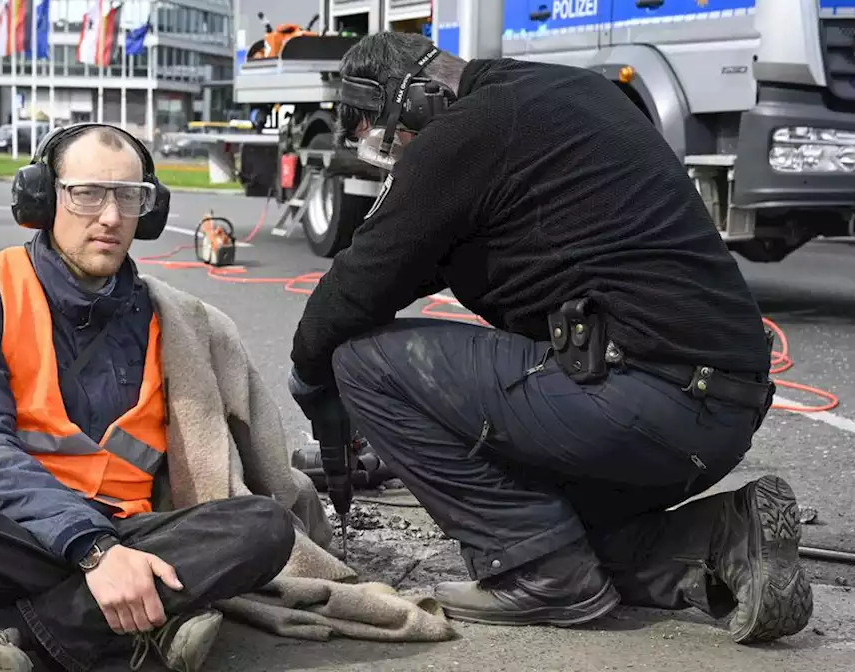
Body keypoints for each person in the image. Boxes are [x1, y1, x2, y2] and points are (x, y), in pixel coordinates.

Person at [286, 31, 812, 645]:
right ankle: (726, 535)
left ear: (421, 100)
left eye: (387, 132)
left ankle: (537, 573)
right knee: (565, 529)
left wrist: (308, 374)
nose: (396, 153)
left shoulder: (466, 130)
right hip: (719, 414)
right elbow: (421, 255)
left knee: (363, 362)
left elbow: (361, 279)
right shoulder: (565, 95)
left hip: (642, 400)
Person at [0, 123, 296, 672]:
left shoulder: (168, 319)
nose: (110, 216)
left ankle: (12, 636)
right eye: (87, 194)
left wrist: (112, 545)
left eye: (129, 197)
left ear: (148, 211)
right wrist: (95, 552)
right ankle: (135, 625)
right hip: (6, 523)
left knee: (263, 528)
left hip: (127, 528)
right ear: (42, 196)